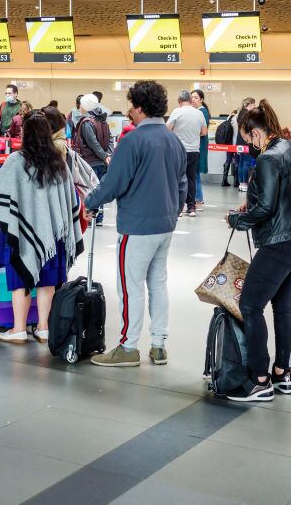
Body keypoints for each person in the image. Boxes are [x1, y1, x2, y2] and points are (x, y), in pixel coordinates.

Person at [87, 81, 186, 367]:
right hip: (165, 226)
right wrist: (173, 212)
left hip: (137, 228)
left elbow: (113, 183)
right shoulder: (174, 141)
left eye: (132, 106)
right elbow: (183, 184)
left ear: (140, 108)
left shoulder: (132, 141)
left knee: (131, 287)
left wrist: (90, 202)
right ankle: (159, 344)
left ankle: (128, 347)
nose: (129, 111)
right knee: (158, 284)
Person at [225, 100, 291, 402]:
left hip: (282, 242)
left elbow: (266, 207)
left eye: (247, 138)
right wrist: (252, 203)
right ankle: (282, 372)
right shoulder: (290, 147)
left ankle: (259, 379)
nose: (248, 144)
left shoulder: (267, 158)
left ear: (255, 133)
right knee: (282, 305)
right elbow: (287, 191)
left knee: (251, 306)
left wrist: (237, 220)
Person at [0, 112, 84, 344]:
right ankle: (43, 328)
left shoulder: (16, 161)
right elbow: (70, 200)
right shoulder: (59, 162)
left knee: (20, 278)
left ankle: (19, 329)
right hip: (52, 235)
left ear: (25, 134)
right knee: (48, 280)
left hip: (21, 232)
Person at [72, 93, 113, 225]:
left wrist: (104, 156)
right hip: (102, 162)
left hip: (90, 162)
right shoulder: (103, 120)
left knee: (89, 190)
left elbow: (92, 143)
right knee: (100, 189)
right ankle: (98, 218)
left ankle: (91, 218)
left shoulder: (86, 122)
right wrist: (108, 155)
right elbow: (110, 139)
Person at [167, 90, 207, 217]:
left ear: (179, 101)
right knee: (191, 178)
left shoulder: (176, 112)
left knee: (176, 178)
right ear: (190, 100)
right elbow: (204, 132)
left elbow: (167, 129)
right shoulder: (199, 113)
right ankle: (191, 208)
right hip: (194, 151)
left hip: (179, 150)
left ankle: (178, 209)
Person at [190, 89, 211, 207]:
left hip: (199, 146)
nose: (193, 99)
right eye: (191, 97)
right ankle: (197, 198)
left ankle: (198, 199)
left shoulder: (202, 112)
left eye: (196, 97)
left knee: (195, 173)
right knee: (194, 173)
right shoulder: (197, 111)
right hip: (197, 145)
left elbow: (202, 131)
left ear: (201, 99)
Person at [233, 98, 258, 190]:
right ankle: (245, 183)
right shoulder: (248, 115)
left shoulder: (240, 113)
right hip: (246, 141)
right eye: (254, 104)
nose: (254, 107)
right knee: (246, 163)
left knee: (241, 162)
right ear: (250, 104)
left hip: (239, 141)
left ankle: (241, 183)